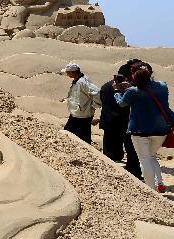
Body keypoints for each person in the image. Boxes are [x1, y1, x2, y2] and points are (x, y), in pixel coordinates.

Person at [115, 62, 174, 193]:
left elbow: (122, 103)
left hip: (139, 130)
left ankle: (151, 192)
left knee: (145, 159)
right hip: (160, 130)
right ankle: (160, 183)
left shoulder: (132, 91)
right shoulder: (163, 86)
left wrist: (118, 91)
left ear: (133, 75)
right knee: (151, 156)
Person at [99, 60, 141, 177]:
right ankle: (133, 171)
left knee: (108, 149)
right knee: (131, 149)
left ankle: (108, 171)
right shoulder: (128, 88)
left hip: (109, 120)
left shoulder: (106, 85)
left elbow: (102, 100)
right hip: (124, 121)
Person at [61, 62, 101, 143]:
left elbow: (96, 93)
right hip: (76, 114)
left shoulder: (83, 82)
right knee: (69, 135)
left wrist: (93, 105)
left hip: (82, 116)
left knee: (83, 139)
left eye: (68, 72)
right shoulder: (77, 81)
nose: (67, 74)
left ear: (73, 72)